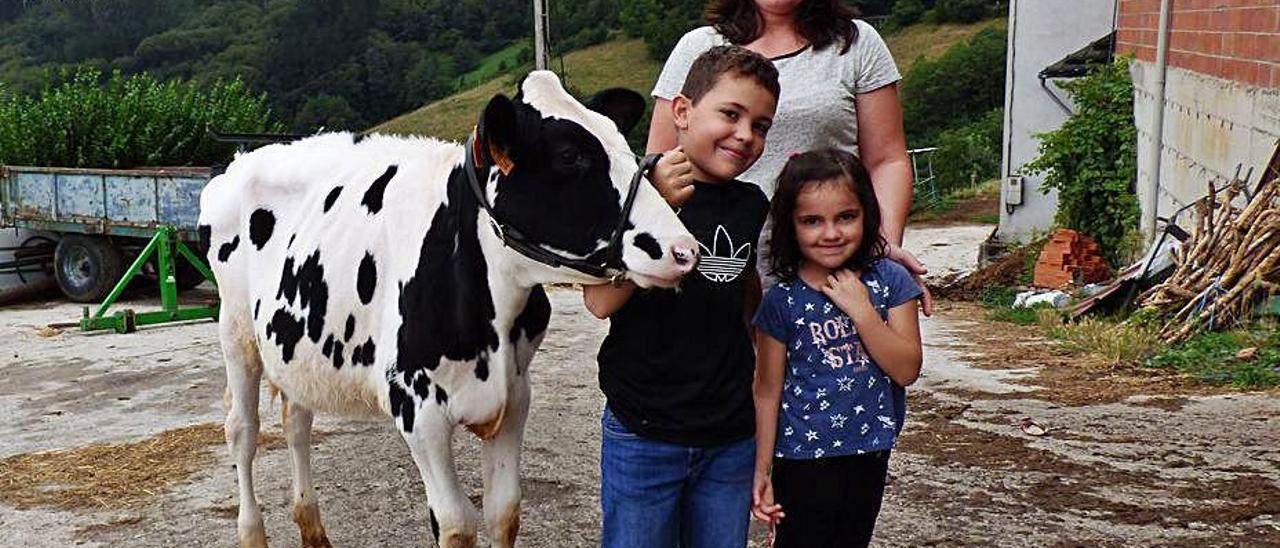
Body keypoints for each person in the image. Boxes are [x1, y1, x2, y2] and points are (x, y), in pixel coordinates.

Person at [583, 45, 779, 548]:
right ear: (683, 111)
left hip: (729, 437)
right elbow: (600, 302)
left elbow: (743, 298)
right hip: (644, 431)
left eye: (761, 125)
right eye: (731, 114)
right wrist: (657, 210)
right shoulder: (633, 192)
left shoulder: (752, 204)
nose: (745, 135)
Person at [646, 0, 933, 314]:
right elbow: (661, 165)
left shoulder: (857, 43)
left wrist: (879, 248)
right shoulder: (698, 47)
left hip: (835, 273)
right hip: (719, 277)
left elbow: (886, 160)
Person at [750, 149, 923, 547]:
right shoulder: (781, 301)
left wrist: (862, 311)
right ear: (790, 227)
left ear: (867, 215)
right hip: (799, 459)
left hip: (869, 451)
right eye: (812, 221)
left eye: (845, 217)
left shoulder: (891, 282)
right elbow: (767, 390)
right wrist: (762, 470)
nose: (830, 233)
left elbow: (906, 369)